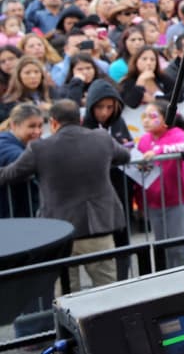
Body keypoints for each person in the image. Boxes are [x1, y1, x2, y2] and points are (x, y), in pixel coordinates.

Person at [0, 100, 130, 292]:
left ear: (52, 122)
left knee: (67, 295)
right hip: (98, 227)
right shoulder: (101, 138)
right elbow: (125, 156)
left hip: (60, 233)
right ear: (80, 118)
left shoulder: (39, 148)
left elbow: (8, 175)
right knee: (109, 290)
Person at [136, 98, 184, 267]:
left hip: (176, 201)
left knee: (178, 248)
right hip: (154, 203)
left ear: (165, 119)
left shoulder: (176, 134)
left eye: (152, 116)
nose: (146, 120)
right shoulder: (144, 140)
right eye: (144, 116)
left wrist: (159, 151)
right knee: (161, 247)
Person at [0, 102, 44, 219]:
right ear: (14, 125)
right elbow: (25, 161)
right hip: (10, 216)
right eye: (32, 126)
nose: (38, 131)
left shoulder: (27, 142)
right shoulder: (4, 145)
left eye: (40, 126)